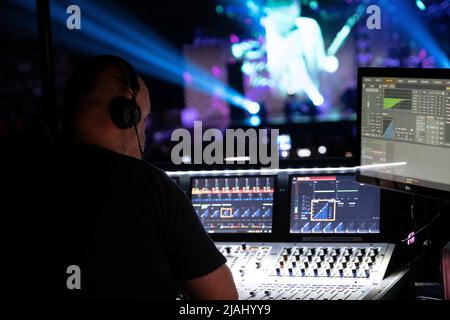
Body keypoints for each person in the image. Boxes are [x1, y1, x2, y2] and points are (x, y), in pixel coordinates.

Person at [41, 55, 237, 299]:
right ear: (126, 116)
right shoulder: (149, 185)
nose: (143, 131)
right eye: (144, 118)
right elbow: (223, 301)